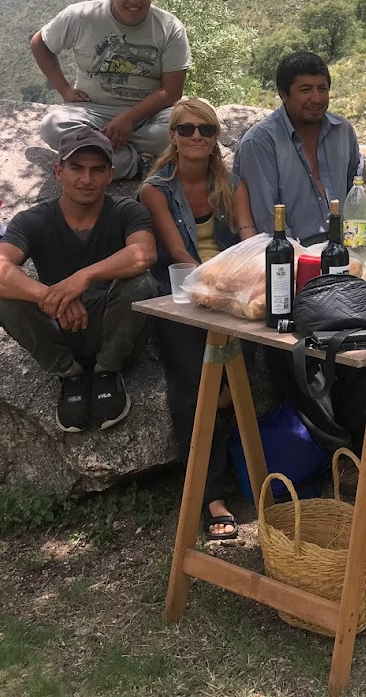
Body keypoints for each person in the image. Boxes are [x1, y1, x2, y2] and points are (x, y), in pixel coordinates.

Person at [0, 128, 157, 433]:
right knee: (5, 299)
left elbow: (143, 253)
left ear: (110, 174)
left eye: (96, 170)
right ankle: (69, 373)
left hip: (114, 328)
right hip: (60, 328)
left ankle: (107, 371)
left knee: (142, 284)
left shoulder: (126, 210)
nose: (86, 179)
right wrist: (46, 296)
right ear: (58, 172)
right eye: (76, 168)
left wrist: (82, 277)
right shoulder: (33, 219)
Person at [140, 98, 255, 539]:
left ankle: (275, 469)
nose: (195, 138)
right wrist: (222, 293)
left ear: (215, 137)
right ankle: (210, 494)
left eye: (205, 130)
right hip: (185, 300)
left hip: (233, 293)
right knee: (195, 388)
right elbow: (179, 255)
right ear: (172, 135)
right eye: (186, 129)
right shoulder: (156, 190)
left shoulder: (231, 183)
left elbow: (247, 235)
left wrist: (248, 281)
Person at [33, 0, 190, 180]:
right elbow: (40, 43)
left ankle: (98, 152)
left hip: (148, 116)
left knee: (188, 127)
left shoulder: (169, 27)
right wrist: (65, 90)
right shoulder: (81, 16)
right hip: (93, 112)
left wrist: (129, 118)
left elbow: (172, 92)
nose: (134, 0)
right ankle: (132, 162)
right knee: (52, 126)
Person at [234, 51, 361, 242]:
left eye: (322, 89)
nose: (316, 99)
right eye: (305, 90)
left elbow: (355, 194)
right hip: (290, 258)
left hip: (344, 251)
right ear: (283, 94)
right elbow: (268, 223)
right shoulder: (260, 142)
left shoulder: (342, 131)